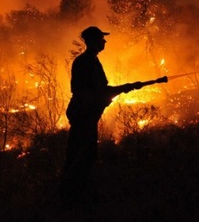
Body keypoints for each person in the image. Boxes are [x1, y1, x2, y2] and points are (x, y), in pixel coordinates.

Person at [59, 26, 143, 207]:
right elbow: (85, 91)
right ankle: (69, 197)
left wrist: (126, 87)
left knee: (85, 155)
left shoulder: (92, 61)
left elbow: (101, 90)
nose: (104, 41)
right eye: (101, 39)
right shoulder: (84, 62)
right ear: (92, 41)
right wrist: (121, 89)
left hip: (87, 114)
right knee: (80, 155)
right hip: (83, 115)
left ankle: (74, 194)